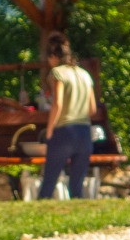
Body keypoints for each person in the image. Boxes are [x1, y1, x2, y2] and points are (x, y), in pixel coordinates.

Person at [38, 31, 96, 200]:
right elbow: (92, 108)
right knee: (76, 188)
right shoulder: (85, 74)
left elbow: (57, 103)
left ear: (53, 56)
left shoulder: (57, 73)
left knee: (49, 183)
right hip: (84, 133)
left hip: (64, 132)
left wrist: (49, 131)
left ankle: (40, 212)